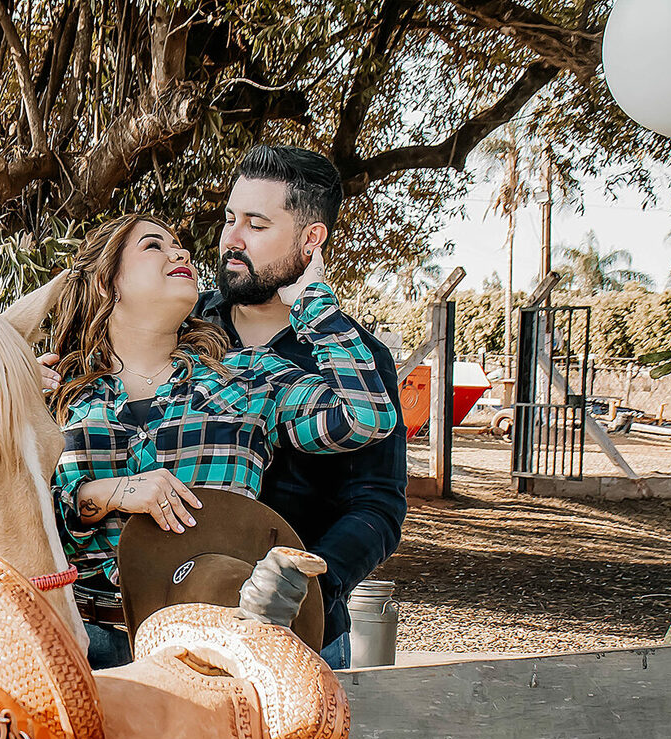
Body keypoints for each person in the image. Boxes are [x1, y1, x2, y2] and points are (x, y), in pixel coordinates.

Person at [46, 209, 396, 669]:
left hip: (212, 646)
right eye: (153, 246)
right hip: (80, 643)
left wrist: (311, 302)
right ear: (106, 283)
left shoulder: (248, 377)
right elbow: (12, 524)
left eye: (180, 246)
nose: (181, 253)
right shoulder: (54, 392)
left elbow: (368, 417)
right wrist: (107, 494)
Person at [192, 145, 408, 671]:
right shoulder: (180, 329)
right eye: (230, 219)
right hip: (172, 614)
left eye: (257, 224)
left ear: (311, 240)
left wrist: (307, 588)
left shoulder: (357, 361)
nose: (232, 238)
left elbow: (377, 507)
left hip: (300, 639)